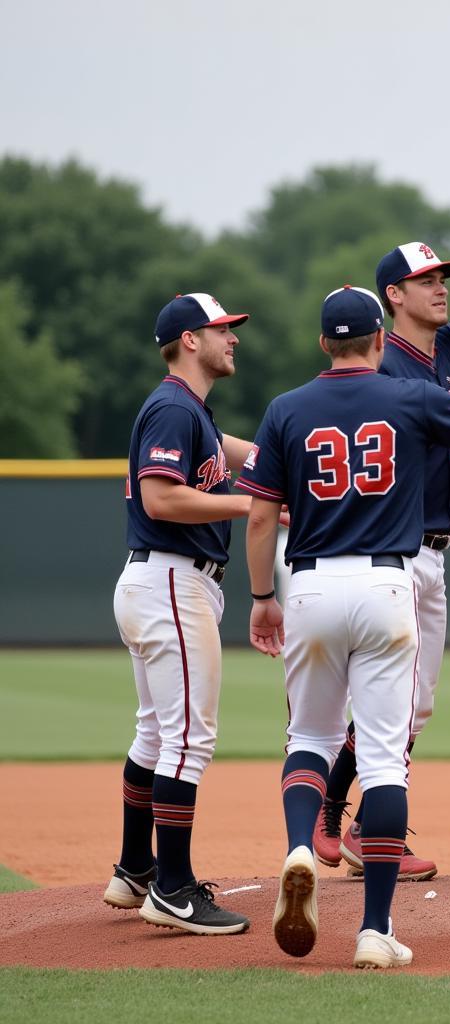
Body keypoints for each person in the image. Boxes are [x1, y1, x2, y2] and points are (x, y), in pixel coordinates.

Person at [239, 286, 450, 967]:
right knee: (386, 758)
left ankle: (302, 843)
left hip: (311, 582)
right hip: (389, 582)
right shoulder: (411, 396)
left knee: (311, 736)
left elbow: (262, 514)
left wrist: (262, 595)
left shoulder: (286, 409)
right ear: (380, 341)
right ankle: (374, 930)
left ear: (325, 343)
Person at [313, 242, 450, 882]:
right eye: (426, 280)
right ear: (393, 295)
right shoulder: (383, 371)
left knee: (416, 706)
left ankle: (351, 818)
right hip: (394, 548)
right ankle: (344, 814)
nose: (441, 286)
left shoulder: (443, 347)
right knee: (397, 700)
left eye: (444, 276)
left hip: (434, 549)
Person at [103, 293, 253, 935]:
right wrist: (254, 509)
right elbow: (163, 499)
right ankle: (172, 888)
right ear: (190, 340)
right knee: (188, 741)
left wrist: (286, 459)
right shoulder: (171, 407)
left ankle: (135, 868)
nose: (234, 339)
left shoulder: (186, 410)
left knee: (156, 736)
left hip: (155, 580)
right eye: (223, 330)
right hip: (171, 580)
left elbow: (231, 450)